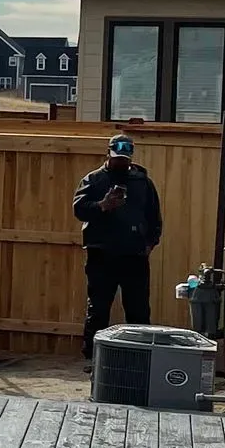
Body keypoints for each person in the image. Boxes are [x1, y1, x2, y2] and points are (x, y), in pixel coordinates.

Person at [74, 132, 161, 361]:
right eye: (116, 158)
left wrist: (149, 244)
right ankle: (93, 360)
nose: (120, 162)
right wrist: (102, 205)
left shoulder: (142, 182)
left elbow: (154, 218)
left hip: (134, 256)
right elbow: (79, 209)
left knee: (138, 311)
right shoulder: (93, 180)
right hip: (102, 254)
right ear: (108, 154)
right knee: (98, 310)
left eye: (124, 159)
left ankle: (140, 360)